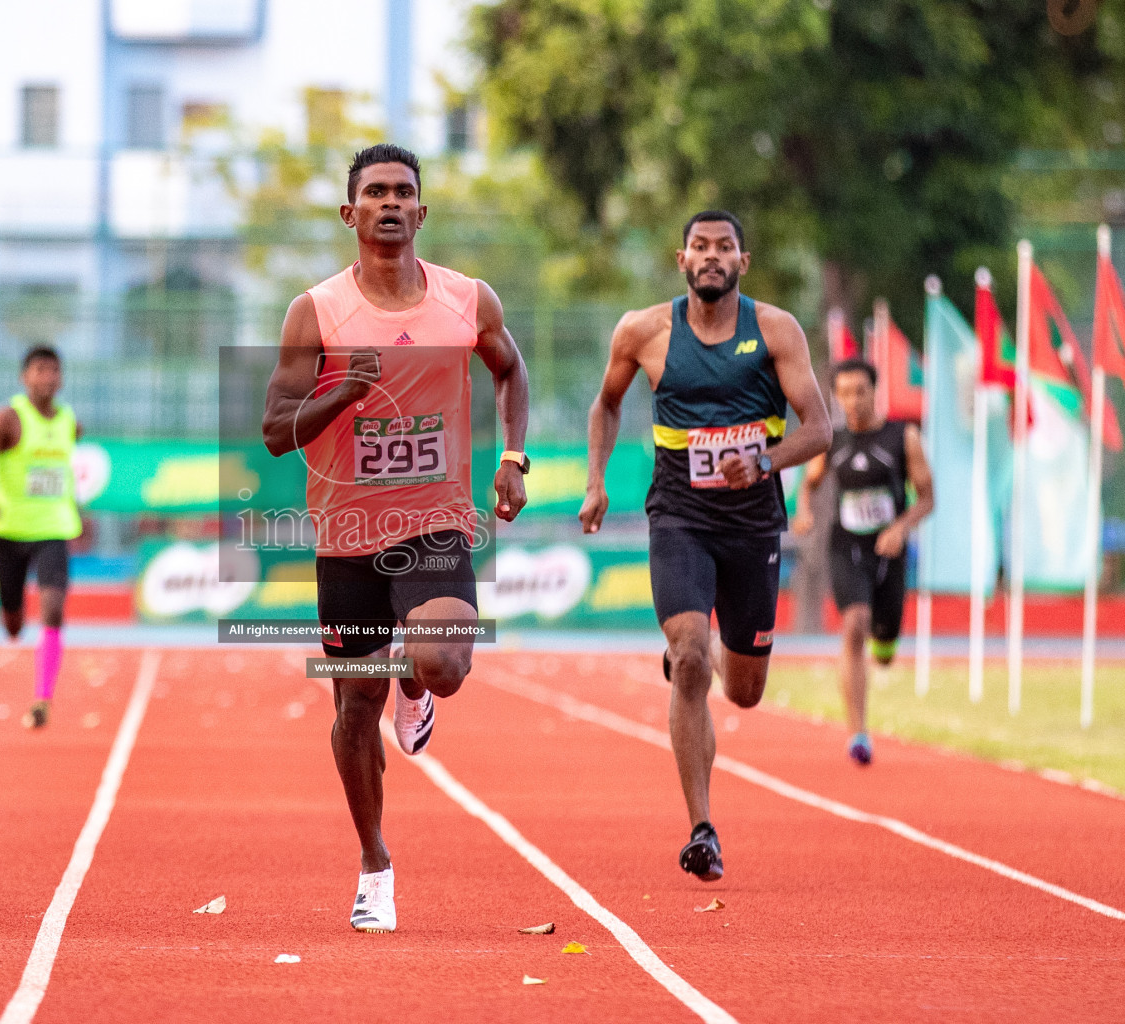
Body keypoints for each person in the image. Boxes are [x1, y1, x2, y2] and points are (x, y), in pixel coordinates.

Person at [262, 144, 529, 933]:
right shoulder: (316, 312)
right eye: (373, 192)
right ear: (350, 214)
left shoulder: (466, 300)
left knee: (442, 663)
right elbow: (276, 430)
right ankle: (375, 864)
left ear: (421, 211)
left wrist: (513, 457)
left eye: (402, 192)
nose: (388, 202)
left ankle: (416, 684)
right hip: (346, 530)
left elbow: (511, 371)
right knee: (353, 706)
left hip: (436, 522)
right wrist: (340, 390)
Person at [579, 210, 831, 882]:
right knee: (689, 659)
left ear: (743, 261)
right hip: (679, 516)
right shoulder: (644, 330)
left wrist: (767, 463)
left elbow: (821, 429)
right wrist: (595, 481)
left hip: (752, 523)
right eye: (700, 246)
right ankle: (702, 829)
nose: (711, 255)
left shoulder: (776, 330)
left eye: (724, 247)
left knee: (744, 691)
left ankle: (712, 654)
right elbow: (605, 403)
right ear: (681, 259)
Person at [793, 359, 934, 765]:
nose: (853, 400)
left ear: (875, 391)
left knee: (884, 647)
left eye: (861, 391)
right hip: (845, 547)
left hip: (888, 551)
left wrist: (901, 526)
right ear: (836, 396)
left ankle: (884, 645)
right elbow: (810, 484)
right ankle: (858, 731)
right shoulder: (831, 441)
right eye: (845, 392)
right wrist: (804, 512)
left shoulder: (902, 438)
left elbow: (927, 497)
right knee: (854, 625)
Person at [0, 345, 82, 730]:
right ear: (24, 377)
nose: (48, 378)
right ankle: (12, 618)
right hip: (10, 531)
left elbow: (61, 473)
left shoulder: (70, 423)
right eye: (40, 370)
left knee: (53, 608)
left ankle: (43, 698)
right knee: (13, 624)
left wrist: (75, 507)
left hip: (54, 529)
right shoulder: (6, 421)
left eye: (54, 371)